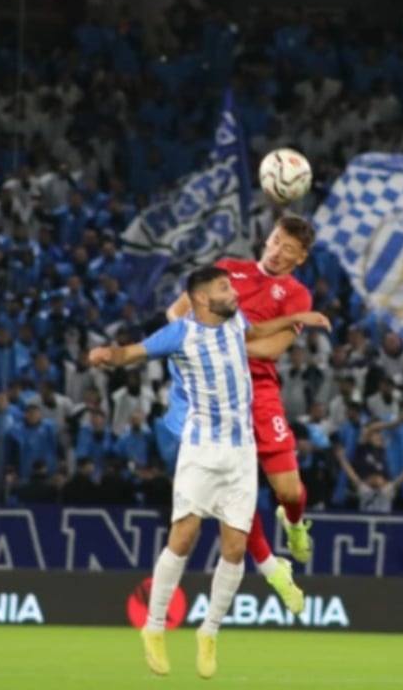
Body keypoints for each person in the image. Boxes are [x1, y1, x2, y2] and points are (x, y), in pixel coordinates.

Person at [90, 265, 329, 679]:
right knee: (184, 537)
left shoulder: (235, 320)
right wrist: (108, 357)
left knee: (234, 547)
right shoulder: (181, 333)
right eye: (223, 287)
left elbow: (256, 333)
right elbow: (134, 352)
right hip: (201, 449)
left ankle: (210, 632)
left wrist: (294, 318)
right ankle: (154, 626)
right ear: (202, 299)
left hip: (240, 451)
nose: (232, 291)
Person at [165, 215, 318, 611]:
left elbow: (269, 351)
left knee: (288, 492)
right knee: (235, 496)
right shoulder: (228, 270)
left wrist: (217, 340)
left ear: (300, 258)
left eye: (289, 249)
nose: (278, 252)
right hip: (218, 398)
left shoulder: (298, 296)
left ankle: (295, 523)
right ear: (266, 239)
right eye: (276, 241)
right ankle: (272, 568)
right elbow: (175, 313)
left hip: (261, 393)